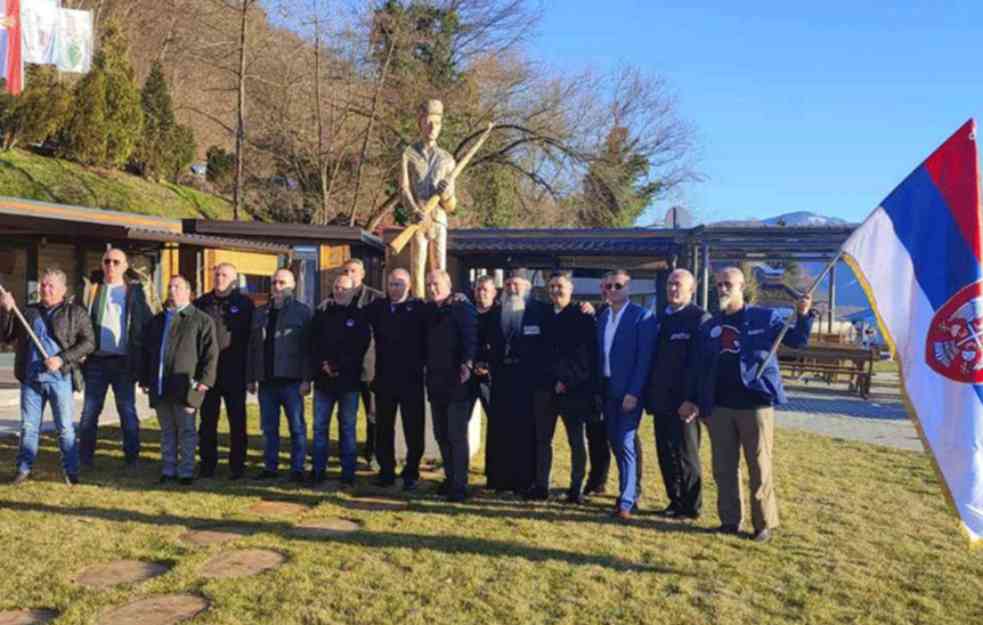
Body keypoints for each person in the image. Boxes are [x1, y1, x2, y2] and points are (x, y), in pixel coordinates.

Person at [679, 266, 814, 542]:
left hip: (755, 404)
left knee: (759, 466)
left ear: (742, 287)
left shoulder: (764, 317)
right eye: (718, 284)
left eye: (728, 283)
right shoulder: (710, 325)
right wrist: (693, 399)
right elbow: (700, 367)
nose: (723, 288)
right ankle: (729, 520)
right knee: (724, 467)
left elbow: (798, 341)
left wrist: (802, 315)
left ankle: (763, 523)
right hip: (719, 407)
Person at [1, 269, 94, 485]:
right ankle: (23, 469)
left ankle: (71, 471)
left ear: (63, 289)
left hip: (59, 379)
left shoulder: (75, 313)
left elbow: (89, 342)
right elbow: (6, 336)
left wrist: (61, 359)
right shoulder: (28, 311)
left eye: (51, 285)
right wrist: (6, 311)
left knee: (64, 428)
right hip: (31, 378)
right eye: (43, 285)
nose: (45, 289)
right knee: (29, 427)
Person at [78, 248, 153, 468]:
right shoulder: (91, 290)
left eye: (116, 262)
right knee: (89, 412)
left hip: (124, 362)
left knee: (127, 410)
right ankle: (85, 458)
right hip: (96, 362)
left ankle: (132, 458)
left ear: (125, 266)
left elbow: (146, 326)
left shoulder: (135, 292)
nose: (111, 265)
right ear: (102, 264)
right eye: (107, 261)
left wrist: (144, 363)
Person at [140, 276, 218, 485]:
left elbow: (210, 354)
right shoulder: (157, 321)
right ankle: (168, 469)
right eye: (170, 287)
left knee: (186, 430)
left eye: (178, 287)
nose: (172, 290)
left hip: (186, 386)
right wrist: (145, 379)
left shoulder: (201, 320)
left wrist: (204, 381)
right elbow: (147, 352)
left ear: (188, 292)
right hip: (160, 384)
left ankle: (186, 471)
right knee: (167, 431)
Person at [646, 269, 710, 519]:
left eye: (679, 285)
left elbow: (700, 365)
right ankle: (674, 500)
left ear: (691, 289)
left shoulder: (699, 319)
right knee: (665, 453)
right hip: (661, 400)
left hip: (684, 402)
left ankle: (691, 506)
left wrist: (692, 399)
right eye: (671, 284)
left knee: (686, 455)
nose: (673, 289)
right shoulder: (662, 318)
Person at [532, 272, 598, 503]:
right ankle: (541, 485)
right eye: (551, 287)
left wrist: (566, 380)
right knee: (543, 440)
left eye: (560, 286)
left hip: (573, 389)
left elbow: (586, 356)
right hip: (544, 388)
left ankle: (575, 488)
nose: (555, 291)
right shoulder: (542, 315)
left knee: (576, 441)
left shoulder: (582, 316)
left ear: (571, 288)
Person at [596, 269, 655, 520]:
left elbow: (645, 359)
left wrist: (634, 392)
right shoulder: (603, 316)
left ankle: (627, 500)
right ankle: (626, 491)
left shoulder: (642, 316)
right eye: (607, 286)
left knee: (625, 441)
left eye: (617, 285)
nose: (612, 290)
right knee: (614, 441)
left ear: (628, 288)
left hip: (629, 391)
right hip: (607, 389)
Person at [246, 269, 313, 482]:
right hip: (267, 381)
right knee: (268, 428)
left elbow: (308, 349)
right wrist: (250, 377)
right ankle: (270, 467)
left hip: (292, 381)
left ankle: (297, 468)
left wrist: (306, 379)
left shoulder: (303, 312)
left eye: (282, 283)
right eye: (274, 282)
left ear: (292, 285)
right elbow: (252, 348)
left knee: (296, 427)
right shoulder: (260, 312)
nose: (277, 286)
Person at [364, 268, 428, 490]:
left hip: (411, 379)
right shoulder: (378, 307)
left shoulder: (420, 308)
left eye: (399, 284)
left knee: (413, 428)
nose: (394, 288)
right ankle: (387, 471)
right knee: (383, 428)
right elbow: (356, 315)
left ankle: (411, 471)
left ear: (409, 286)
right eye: (391, 284)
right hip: (384, 379)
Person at [485, 268, 548, 495]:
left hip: (527, 383)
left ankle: (524, 480)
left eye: (517, 284)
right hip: (502, 381)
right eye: (509, 284)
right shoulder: (496, 313)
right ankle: (500, 480)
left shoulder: (541, 311)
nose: (512, 288)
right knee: (501, 431)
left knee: (525, 433)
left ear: (527, 287)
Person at [194, 263, 254, 479]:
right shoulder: (202, 303)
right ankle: (207, 465)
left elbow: (251, 340)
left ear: (234, 279)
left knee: (237, 421)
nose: (220, 278)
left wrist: (250, 374)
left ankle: (237, 466)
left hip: (235, 372)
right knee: (208, 421)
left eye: (225, 275)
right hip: (209, 373)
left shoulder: (244, 304)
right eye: (217, 274)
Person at [310, 274, 371, 485]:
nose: (339, 291)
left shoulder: (360, 316)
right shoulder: (322, 313)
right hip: (323, 381)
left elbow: (359, 347)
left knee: (347, 428)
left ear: (353, 291)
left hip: (349, 382)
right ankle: (318, 470)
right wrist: (323, 364)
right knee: (319, 428)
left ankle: (348, 473)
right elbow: (313, 343)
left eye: (344, 288)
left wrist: (339, 366)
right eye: (336, 287)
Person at [423, 270, 477, 502]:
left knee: (456, 434)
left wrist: (467, 363)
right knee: (440, 433)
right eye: (428, 285)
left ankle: (460, 484)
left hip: (458, 381)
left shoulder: (462, 308)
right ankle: (450, 477)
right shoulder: (429, 310)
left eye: (435, 284)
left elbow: (471, 338)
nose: (431, 288)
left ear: (448, 284)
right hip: (436, 382)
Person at [400, 99, 457, 297]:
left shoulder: (447, 158)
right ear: (420, 123)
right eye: (428, 122)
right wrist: (413, 210)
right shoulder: (408, 154)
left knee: (439, 268)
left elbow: (451, 205)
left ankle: (441, 302)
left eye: (437, 123)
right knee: (417, 267)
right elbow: (404, 187)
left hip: (439, 218)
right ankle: (418, 305)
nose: (433, 127)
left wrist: (447, 192)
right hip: (418, 218)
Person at [339, 258, 383, 469]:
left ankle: (373, 452)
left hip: (370, 366)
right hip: (345, 367)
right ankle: (345, 451)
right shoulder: (336, 296)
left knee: (373, 413)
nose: (350, 274)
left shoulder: (376, 299)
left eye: (354, 271)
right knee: (345, 415)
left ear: (363, 274)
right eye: (346, 271)